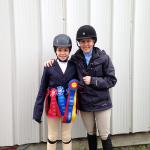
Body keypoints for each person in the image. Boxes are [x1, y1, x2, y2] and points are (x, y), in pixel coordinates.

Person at [45, 25, 117, 150]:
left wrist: (93, 80)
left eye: (88, 41)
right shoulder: (75, 59)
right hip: (85, 104)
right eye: (82, 42)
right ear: (79, 43)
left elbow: (112, 80)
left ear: (94, 41)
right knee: (90, 133)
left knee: (104, 134)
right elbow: (63, 63)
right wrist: (52, 62)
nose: (86, 44)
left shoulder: (104, 58)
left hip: (102, 103)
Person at [33, 34, 78, 150]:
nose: (62, 53)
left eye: (65, 50)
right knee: (52, 135)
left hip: (69, 106)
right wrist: (37, 111)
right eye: (59, 50)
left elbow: (80, 84)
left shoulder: (74, 66)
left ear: (69, 51)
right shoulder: (49, 67)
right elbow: (42, 89)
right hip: (52, 107)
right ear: (55, 51)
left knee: (66, 135)